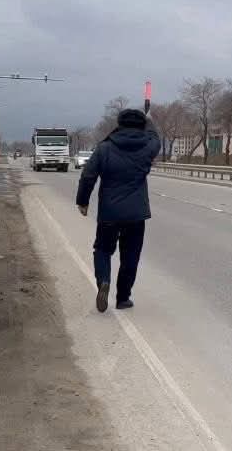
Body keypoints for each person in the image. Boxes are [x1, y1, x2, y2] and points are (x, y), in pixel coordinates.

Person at [75, 108, 160, 312]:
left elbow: (88, 175)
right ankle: (123, 298)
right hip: (136, 213)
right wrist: (149, 120)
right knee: (131, 256)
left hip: (109, 212)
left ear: (119, 125)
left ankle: (104, 281)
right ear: (142, 126)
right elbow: (155, 137)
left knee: (103, 250)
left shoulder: (105, 148)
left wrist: (83, 201)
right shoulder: (148, 147)